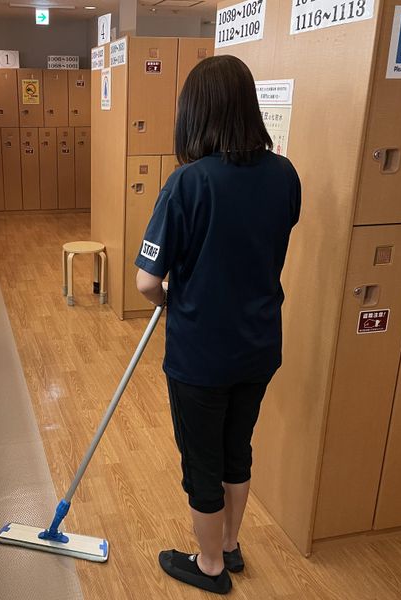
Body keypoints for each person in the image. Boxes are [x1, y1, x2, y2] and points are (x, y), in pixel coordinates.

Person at [135, 55, 301, 595]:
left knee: (202, 463)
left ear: (195, 113)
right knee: (237, 450)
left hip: (200, 357)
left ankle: (209, 566)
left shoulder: (187, 183)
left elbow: (146, 281)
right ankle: (230, 545)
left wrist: (168, 300)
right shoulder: (284, 175)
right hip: (259, 346)